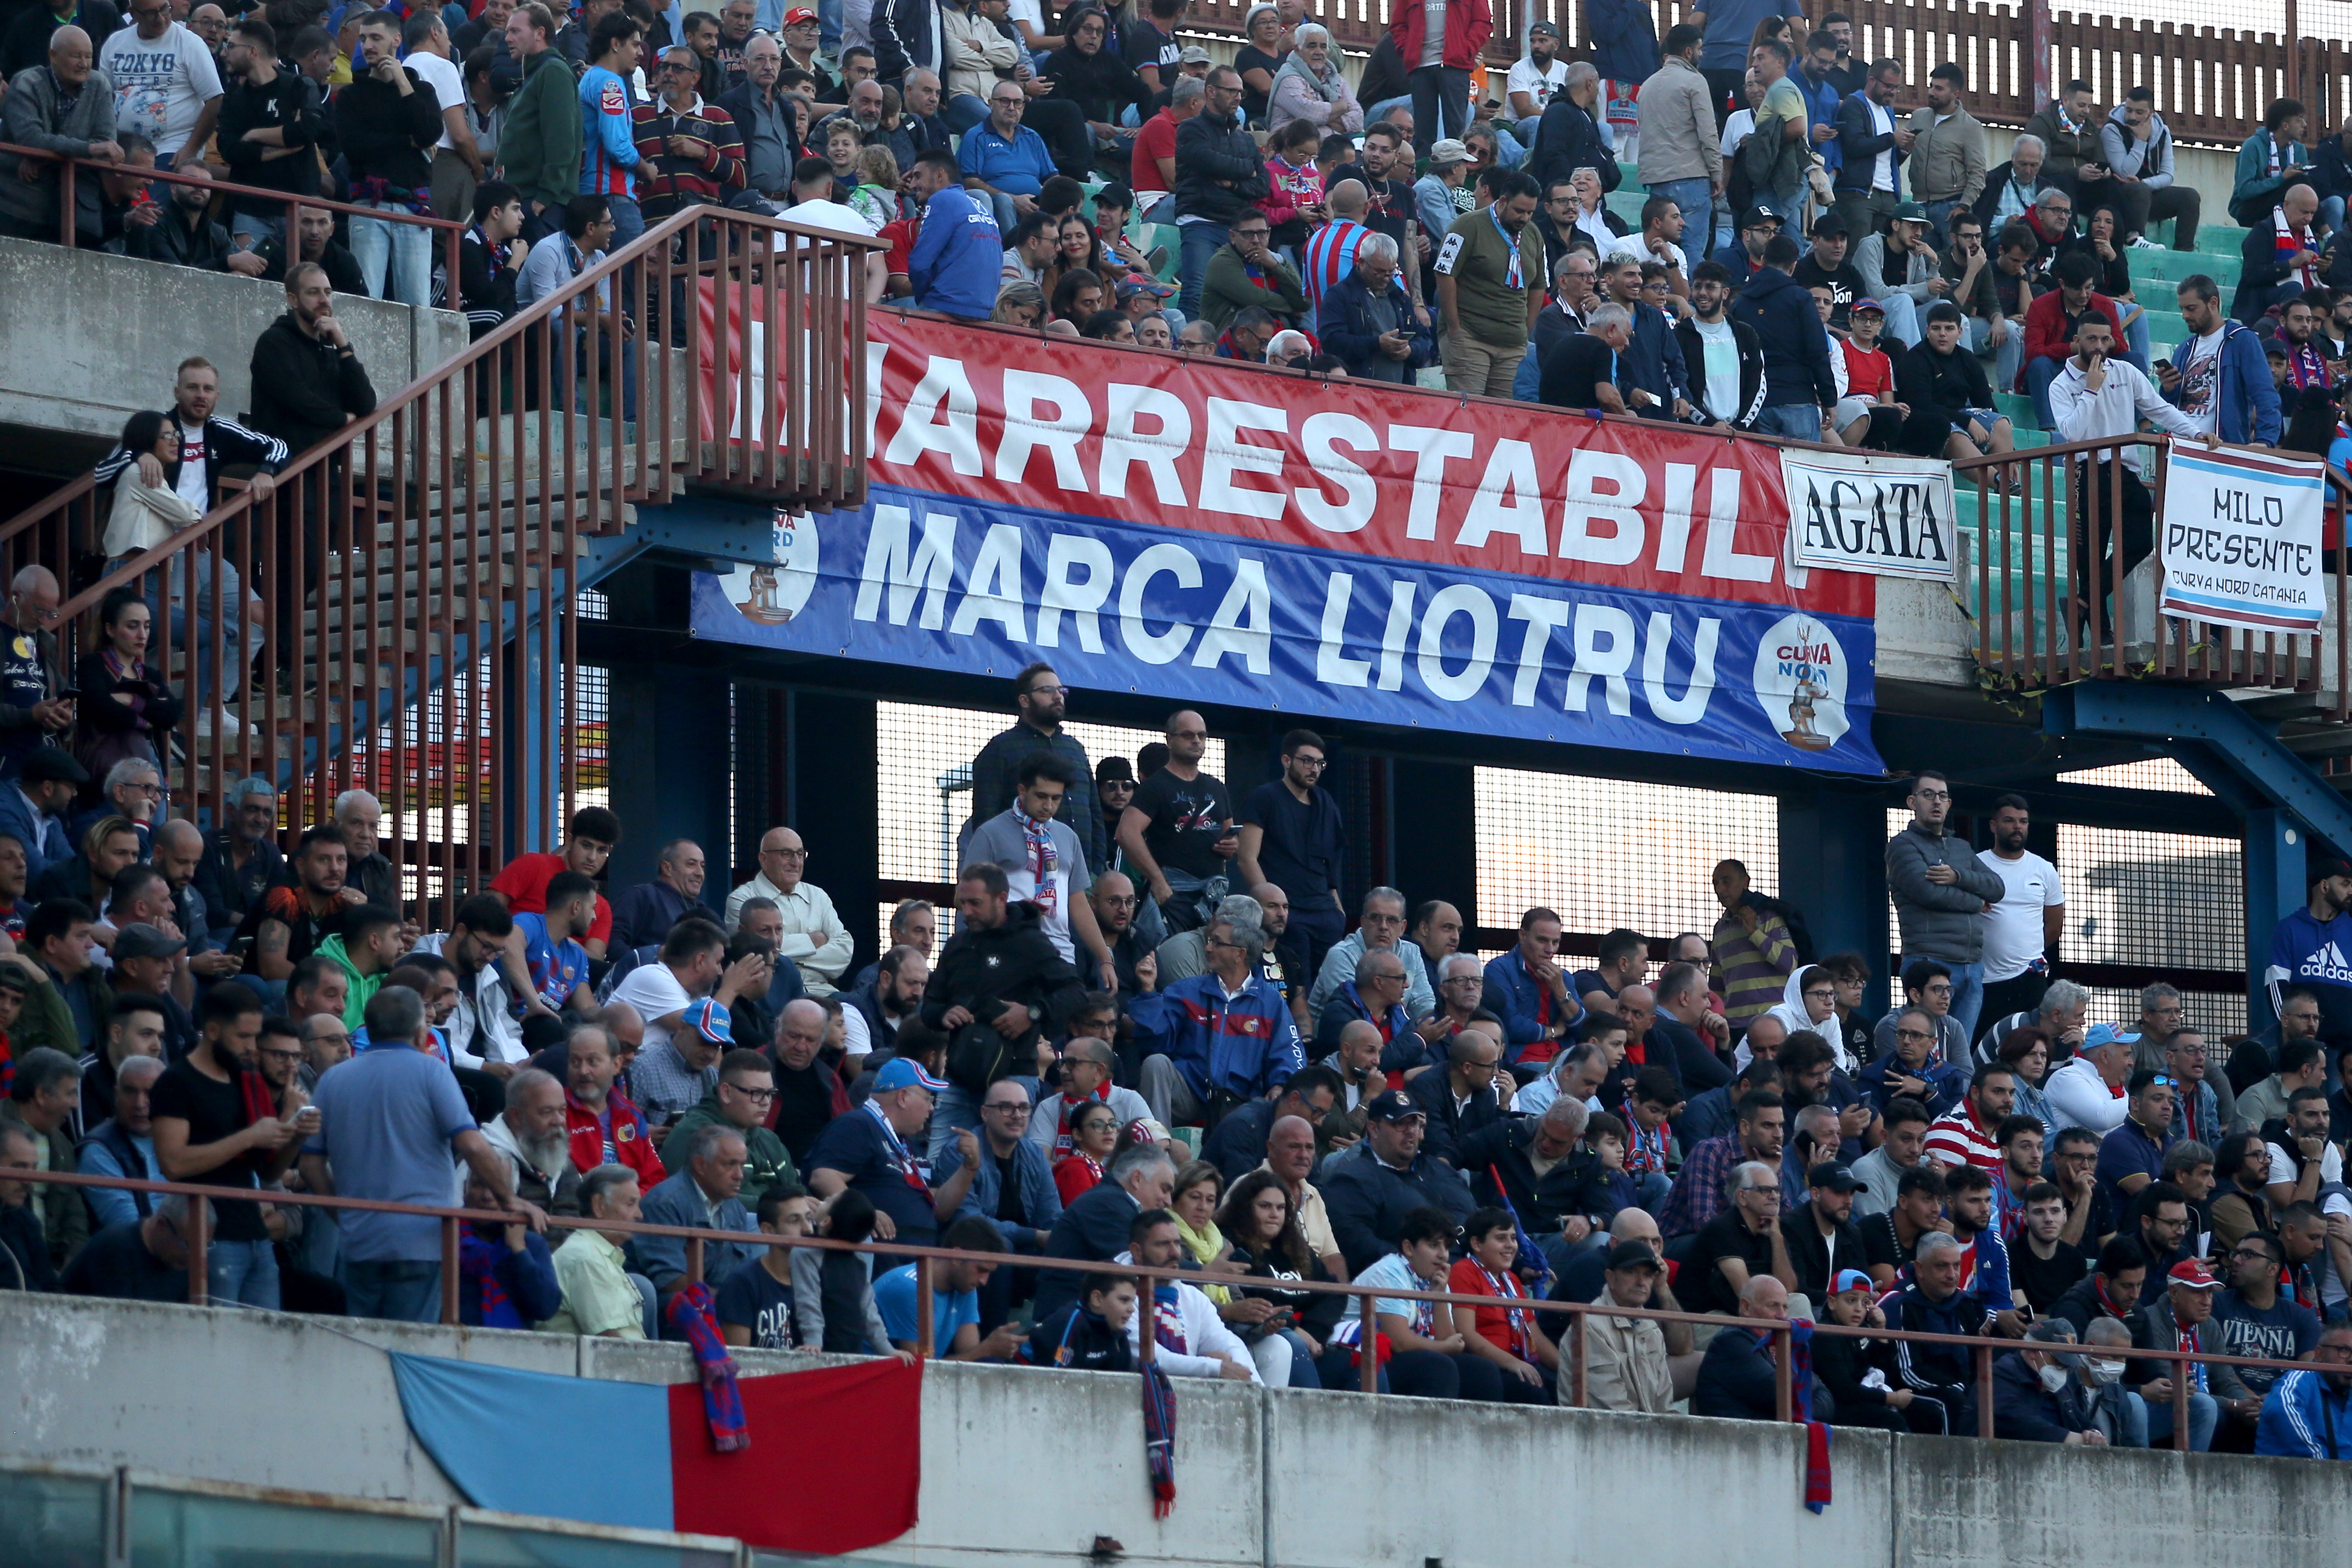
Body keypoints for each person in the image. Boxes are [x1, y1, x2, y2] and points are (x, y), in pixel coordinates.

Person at [302, 987, 540, 1321]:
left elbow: (311, 1164)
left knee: (363, 1348)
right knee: (409, 1352)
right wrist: (509, 1199)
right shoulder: (432, 1072)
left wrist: (343, 1215)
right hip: (422, 1243)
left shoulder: (333, 1080)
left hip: (359, 1242)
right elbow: (471, 1144)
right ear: (420, 1032)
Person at [920, 861, 1088, 1152]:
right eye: (962, 903)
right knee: (941, 1163)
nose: (966, 912)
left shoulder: (1030, 943)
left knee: (1005, 1168)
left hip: (1013, 1077)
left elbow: (1075, 992)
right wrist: (944, 1013)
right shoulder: (957, 945)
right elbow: (930, 1006)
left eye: (975, 903)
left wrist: (1032, 1013)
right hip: (959, 1079)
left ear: (1001, 899)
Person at [336, 9, 445, 306]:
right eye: (363, 39)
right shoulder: (351, 97)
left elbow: (429, 133)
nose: (368, 45)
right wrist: (405, 142)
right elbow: (355, 148)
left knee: (417, 303)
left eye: (376, 38)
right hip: (369, 205)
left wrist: (403, 82)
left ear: (396, 40)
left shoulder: (421, 90)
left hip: (413, 207)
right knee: (364, 297)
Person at [1115, 710, 1234, 935]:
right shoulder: (1156, 786)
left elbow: (1230, 834)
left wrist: (1231, 846)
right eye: (1188, 735)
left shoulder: (1216, 787)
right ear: (1169, 739)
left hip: (1213, 897)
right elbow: (1126, 833)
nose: (1196, 740)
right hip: (1174, 896)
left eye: (1201, 735)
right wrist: (1158, 882)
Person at [248, 263, 380, 460]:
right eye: (313, 293)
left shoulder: (330, 348)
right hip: (284, 467)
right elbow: (295, 398)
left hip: (326, 469)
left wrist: (343, 346)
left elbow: (366, 403)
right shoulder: (274, 342)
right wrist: (341, 418)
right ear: (293, 299)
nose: (324, 300)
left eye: (328, 292)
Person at [1435, 167, 1542, 397]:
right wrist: (1454, 328)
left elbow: (1538, 285)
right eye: (1519, 211)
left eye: (1530, 213)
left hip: (1513, 345)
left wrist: (1526, 329)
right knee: (1469, 414)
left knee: (1501, 420)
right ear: (1503, 201)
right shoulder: (1467, 225)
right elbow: (1444, 273)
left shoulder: (1533, 234)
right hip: (1470, 339)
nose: (1524, 218)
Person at [636, 1121, 761, 1307]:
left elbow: (740, 1274)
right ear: (700, 1165)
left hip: (720, 1304)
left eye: (742, 1165)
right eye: (729, 1165)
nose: (739, 1175)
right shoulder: (665, 1202)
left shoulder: (736, 1209)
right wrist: (729, 1300)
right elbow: (669, 1279)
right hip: (674, 1308)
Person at [2160, 272, 2284, 448]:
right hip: (2178, 448)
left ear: (2213, 303)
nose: (2184, 315)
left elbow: (2265, 394)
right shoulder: (2184, 348)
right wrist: (2168, 389)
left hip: (2220, 450)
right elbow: (2171, 407)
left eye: (2191, 308)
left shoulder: (2242, 340)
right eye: (2182, 309)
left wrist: (2265, 441)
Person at [1635, 24, 1719, 265]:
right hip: (1691, 177)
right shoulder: (1695, 81)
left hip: (1657, 181)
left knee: (1661, 251)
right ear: (1689, 52)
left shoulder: (1647, 86)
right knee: (1693, 251)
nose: (1702, 54)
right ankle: (1692, 301)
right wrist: (1717, 174)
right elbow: (1708, 134)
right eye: (1700, 49)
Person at [1693, 1274, 1831, 1420]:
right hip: (1735, 1438)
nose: (1783, 1316)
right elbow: (1780, 1394)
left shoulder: (1779, 1343)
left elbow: (1828, 1400)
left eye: (1785, 1307)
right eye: (1773, 1306)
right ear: (1746, 1307)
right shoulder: (1732, 1342)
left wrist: (1803, 1403)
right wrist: (1807, 1384)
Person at [498, 2, 584, 237]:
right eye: (507, 31)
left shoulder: (553, 71)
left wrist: (545, 196)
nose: (507, 38)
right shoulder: (534, 76)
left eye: (515, 31)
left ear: (540, 33)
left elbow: (562, 141)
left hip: (541, 204)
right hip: (522, 199)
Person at [1993, 1320, 2108, 1444]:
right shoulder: (2002, 1373)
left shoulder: (2062, 1387)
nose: (2064, 1368)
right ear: (2033, 1351)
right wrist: (2068, 1438)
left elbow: (2080, 1419)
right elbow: (2014, 1419)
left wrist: (2093, 1433)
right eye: (2058, 1361)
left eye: (2067, 1364)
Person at [2256, 1321, 2352, 1458]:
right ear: (2319, 1354)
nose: (2351, 1360)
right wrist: (2325, 1466)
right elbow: (2281, 1409)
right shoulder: (2301, 1379)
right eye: (2344, 1350)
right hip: (2287, 1475)